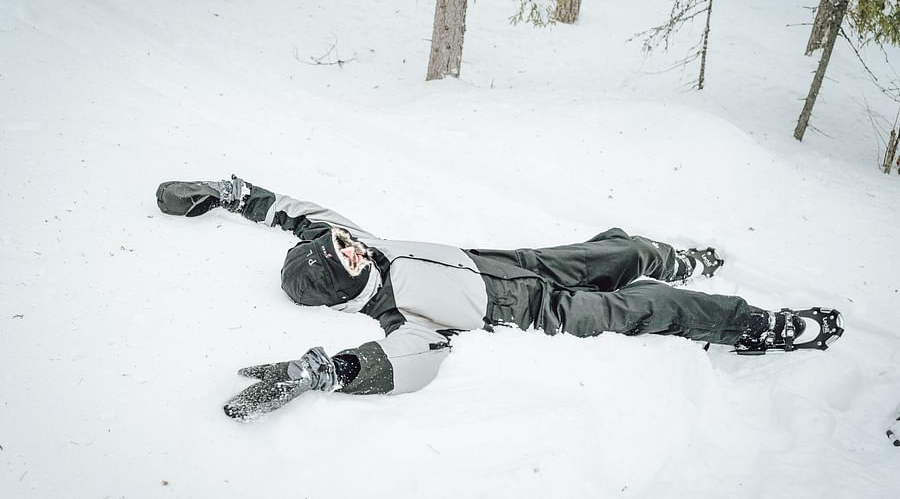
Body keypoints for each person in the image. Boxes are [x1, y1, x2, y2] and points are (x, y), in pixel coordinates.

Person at [156, 175, 844, 420]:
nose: (355, 245)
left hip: (511, 262)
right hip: (537, 312)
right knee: (650, 303)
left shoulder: (361, 243)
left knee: (617, 253)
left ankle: (678, 253)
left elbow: (301, 212)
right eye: (348, 255)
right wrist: (329, 372)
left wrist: (235, 194)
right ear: (345, 284)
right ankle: (764, 326)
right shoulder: (398, 315)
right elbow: (407, 366)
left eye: (348, 242)